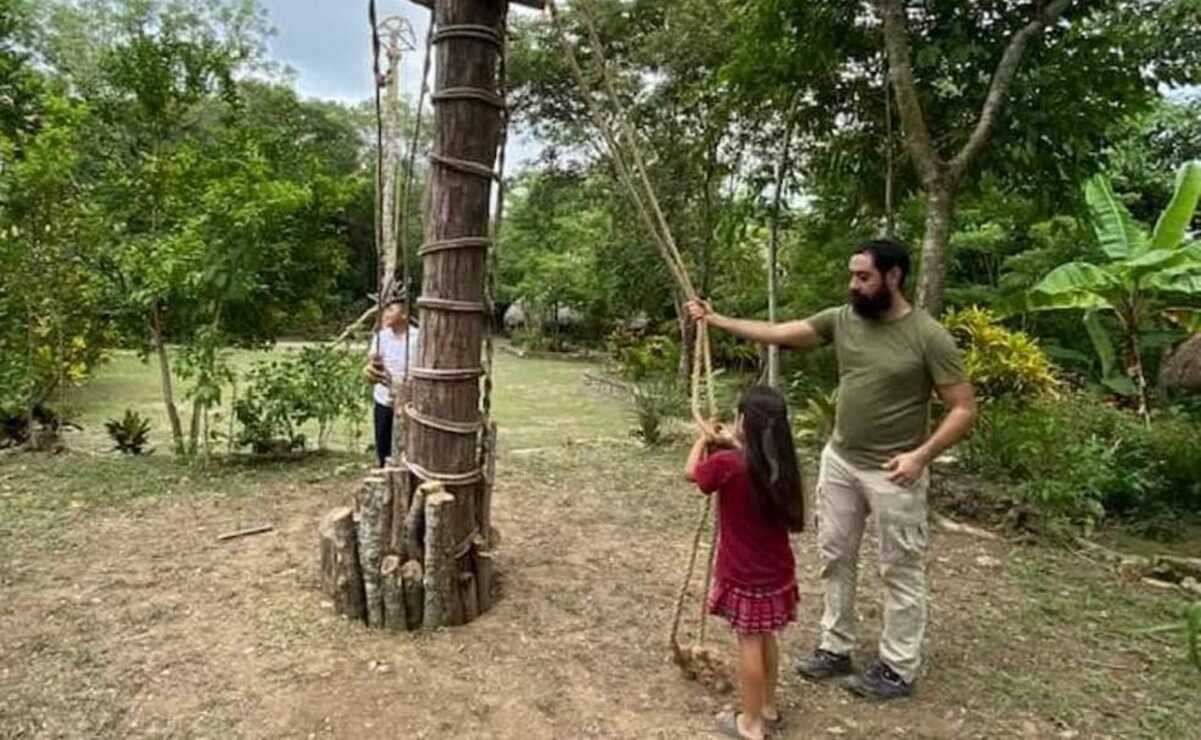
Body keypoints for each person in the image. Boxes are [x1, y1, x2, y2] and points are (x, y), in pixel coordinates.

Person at [687, 238, 977, 701]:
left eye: (863, 277)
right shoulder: (842, 320)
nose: (853, 285)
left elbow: (962, 408)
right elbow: (779, 332)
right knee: (835, 556)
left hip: (895, 470)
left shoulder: (928, 336)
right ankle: (835, 647)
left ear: (894, 276)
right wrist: (716, 319)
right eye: (852, 275)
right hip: (841, 461)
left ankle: (898, 667)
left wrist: (920, 456)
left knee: (899, 568)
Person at [685, 385, 806, 740]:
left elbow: (692, 473)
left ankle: (750, 724)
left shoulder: (728, 465)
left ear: (742, 421)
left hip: (744, 575)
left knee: (749, 641)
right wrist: (733, 443)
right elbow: (751, 462)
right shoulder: (781, 465)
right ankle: (767, 706)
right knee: (766, 636)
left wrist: (702, 440)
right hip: (777, 573)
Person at [364, 298, 419, 467]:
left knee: (409, 443)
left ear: (404, 314)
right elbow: (373, 362)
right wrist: (371, 371)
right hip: (384, 399)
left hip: (410, 400)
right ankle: (384, 472)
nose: (385, 314)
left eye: (391, 310)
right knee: (383, 442)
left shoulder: (418, 337)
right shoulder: (381, 337)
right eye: (385, 310)